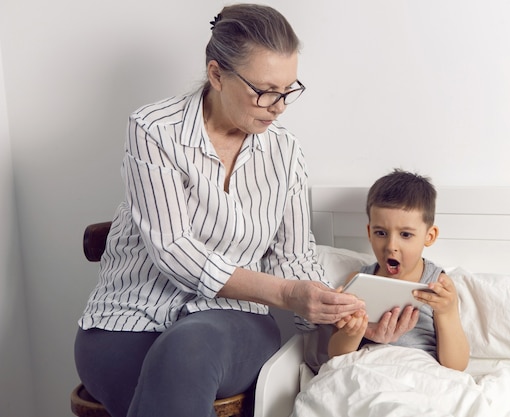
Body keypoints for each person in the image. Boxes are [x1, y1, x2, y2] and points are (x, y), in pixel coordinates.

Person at [73, 5, 364, 417]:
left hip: (231, 322)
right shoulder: (153, 130)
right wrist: (285, 293)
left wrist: (332, 313)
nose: (279, 106)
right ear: (216, 75)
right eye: (265, 91)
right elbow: (173, 248)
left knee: (188, 349)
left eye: (288, 90)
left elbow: (294, 257)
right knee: (175, 379)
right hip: (128, 319)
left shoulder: (286, 153)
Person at [328, 169, 469, 371]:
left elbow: (456, 366)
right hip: (366, 369)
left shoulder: (438, 286)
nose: (391, 245)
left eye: (405, 234)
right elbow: (335, 356)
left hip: (418, 370)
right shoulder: (359, 281)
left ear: (429, 236)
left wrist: (446, 312)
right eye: (381, 233)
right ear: (369, 232)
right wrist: (353, 332)